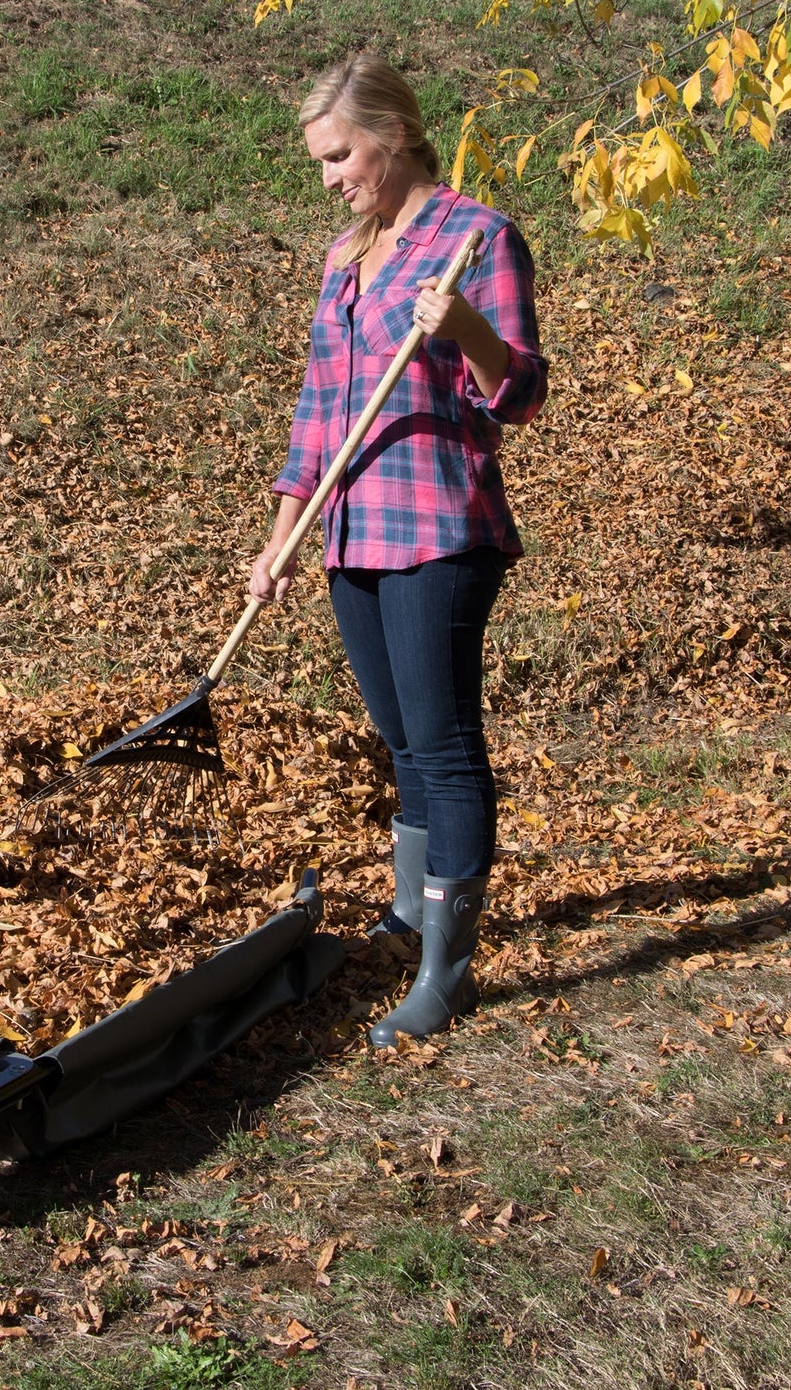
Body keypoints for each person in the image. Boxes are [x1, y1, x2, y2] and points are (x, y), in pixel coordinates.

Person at [248, 55, 547, 1048]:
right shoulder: (346, 253)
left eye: (340, 154)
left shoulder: (476, 237)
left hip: (435, 524)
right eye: (321, 162)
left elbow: (520, 391)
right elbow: (316, 408)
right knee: (399, 738)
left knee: (444, 741)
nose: (330, 175)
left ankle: (443, 972)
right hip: (349, 528)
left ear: (391, 135)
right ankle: (411, 910)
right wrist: (281, 529)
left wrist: (461, 326)